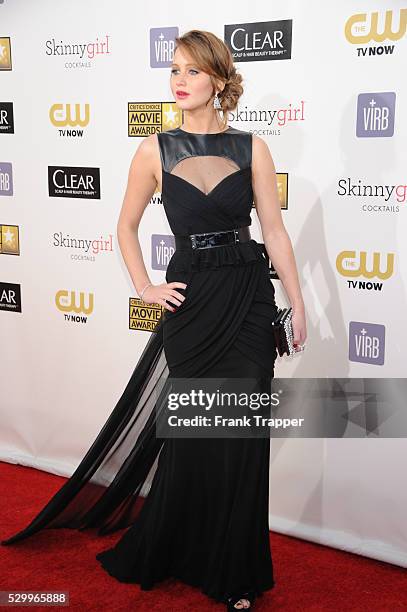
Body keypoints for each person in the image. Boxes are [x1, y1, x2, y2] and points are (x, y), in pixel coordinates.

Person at [1, 30, 307, 610]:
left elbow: (273, 231)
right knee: (193, 434)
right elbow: (124, 226)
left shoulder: (253, 148)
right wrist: (145, 287)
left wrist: (296, 302)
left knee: (242, 438)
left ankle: (235, 572)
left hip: (247, 299)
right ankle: (180, 545)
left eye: (192, 71)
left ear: (219, 79)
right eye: (174, 70)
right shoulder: (154, 150)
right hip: (191, 307)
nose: (179, 81)